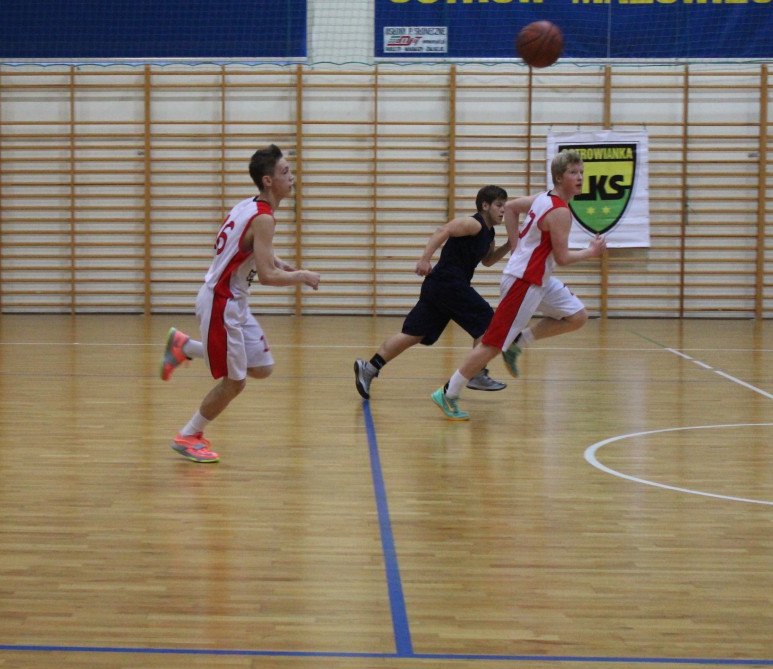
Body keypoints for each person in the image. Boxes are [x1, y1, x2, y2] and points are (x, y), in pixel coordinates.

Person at [159, 144, 320, 462]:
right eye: (285, 171)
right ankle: (188, 435)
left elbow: (245, 246)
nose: (292, 176)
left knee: (262, 367)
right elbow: (267, 277)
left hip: (234, 300)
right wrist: (301, 275)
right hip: (222, 303)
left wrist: (277, 261)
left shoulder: (250, 205)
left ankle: (183, 347)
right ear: (268, 181)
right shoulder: (264, 219)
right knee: (235, 383)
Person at [431, 150, 606, 420]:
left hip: (538, 279)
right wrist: (591, 252)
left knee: (577, 316)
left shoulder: (543, 198)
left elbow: (511, 208)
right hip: (524, 283)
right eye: (573, 173)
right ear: (560, 178)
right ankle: (448, 392)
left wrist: (517, 246)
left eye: (581, 172)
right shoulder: (560, 212)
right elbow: (562, 258)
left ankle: (518, 342)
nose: (580, 177)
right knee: (491, 344)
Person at [353, 185, 512, 400]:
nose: (503, 210)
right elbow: (442, 230)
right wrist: (425, 259)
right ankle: (476, 373)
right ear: (485, 206)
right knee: (488, 322)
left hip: (440, 287)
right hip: (449, 283)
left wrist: (510, 244)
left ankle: (369, 368)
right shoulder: (473, 223)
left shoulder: (489, 234)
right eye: (499, 205)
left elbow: (488, 260)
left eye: (504, 206)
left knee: (413, 334)